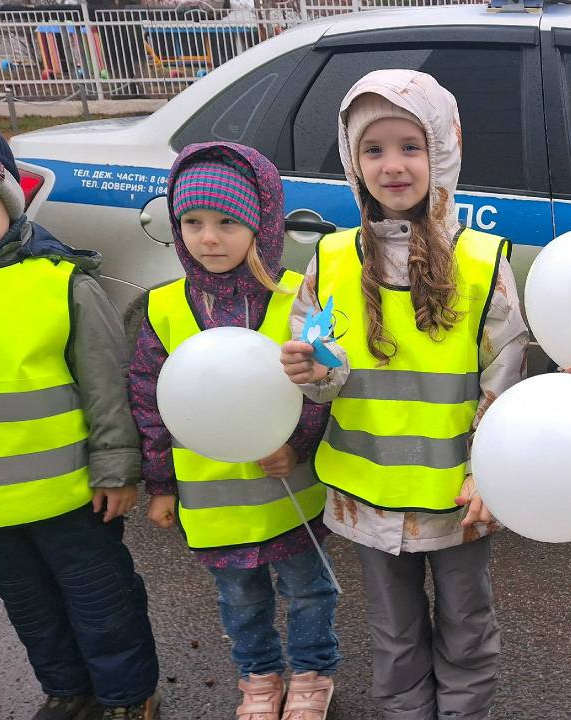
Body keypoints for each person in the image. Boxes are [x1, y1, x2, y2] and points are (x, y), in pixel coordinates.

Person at [279, 69, 529, 720]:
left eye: (410, 147)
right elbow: (324, 377)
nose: (392, 165)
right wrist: (310, 372)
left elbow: (504, 376)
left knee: (466, 629)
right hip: (369, 497)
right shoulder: (332, 259)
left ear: (442, 151)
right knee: (393, 639)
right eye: (374, 149)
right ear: (353, 161)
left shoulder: (479, 262)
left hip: (457, 498)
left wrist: (488, 474)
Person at [0, 118, 160, 720]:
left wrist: (117, 469)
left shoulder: (60, 282)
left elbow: (107, 385)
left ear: (11, 205)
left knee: (101, 601)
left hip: (72, 497)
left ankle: (126, 696)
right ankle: (67, 690)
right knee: (29, 607)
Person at [129, 141, 340, 720]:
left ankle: (313, 673)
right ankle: (258, 678)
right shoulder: (164, 307)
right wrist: (162, 485)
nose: (209, 238)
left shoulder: (296, 296)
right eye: (192, 222)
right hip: (212, 498)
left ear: (262, 223)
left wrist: (298, 444)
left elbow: (324, 382)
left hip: (289, 491)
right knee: (240, 601)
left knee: (308, 591)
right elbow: (149, 401)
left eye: (227, 221)